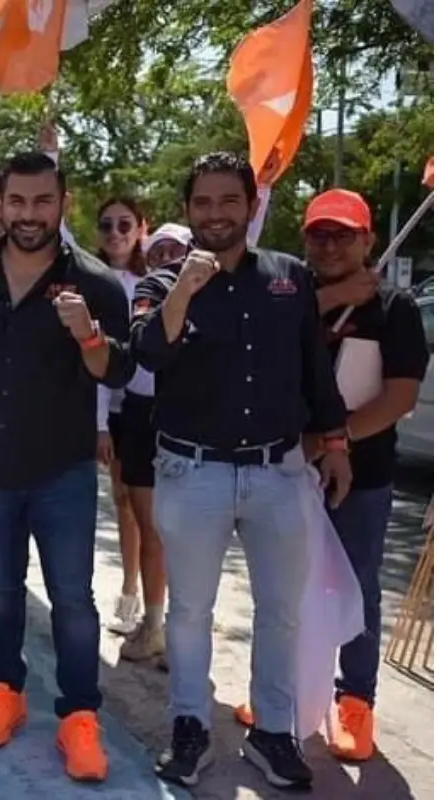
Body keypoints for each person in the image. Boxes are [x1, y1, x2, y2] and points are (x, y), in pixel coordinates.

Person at [130, 152, 352, 791]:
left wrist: (334, 442)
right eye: (203, 203)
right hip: (190, 471)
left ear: (251, 206)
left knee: (280, 611)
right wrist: (185, 289)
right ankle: (190, 727)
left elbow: (315, 369)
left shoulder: (287, 277)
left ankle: (274, 733)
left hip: (278, 473)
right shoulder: (162, 281)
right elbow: (147, 353)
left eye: (229, 201)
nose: (216, 214)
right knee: (190, 612)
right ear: (187, 210)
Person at [0, 152, 132, 783]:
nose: (29, 215)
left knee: (74, 601)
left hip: (63, 474)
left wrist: (87, 335)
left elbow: (118, 371)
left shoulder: (98, 284)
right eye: (17, 202)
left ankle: (80, 716)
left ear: (63, 203)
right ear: (0, 203)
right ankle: (5, 691)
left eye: (42, 202)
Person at [230, 189, 430, 761]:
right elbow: (256, 340)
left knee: (357, 588)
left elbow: (399, 397)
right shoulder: (287, 292)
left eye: (344, 234)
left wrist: (333, 441)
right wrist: (336, 297)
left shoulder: (394, 309)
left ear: (368, 240)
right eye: (320, 234)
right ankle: (279, 694)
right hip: (281, 471)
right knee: (278, 588)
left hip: (360, 476)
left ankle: (354, 701)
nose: (331, 245)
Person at [93, 197, 150, 638]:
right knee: (124, 504)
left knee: (156, 513)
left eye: (124, 224)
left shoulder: (158, 279)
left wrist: (260, 191)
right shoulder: (92, 280)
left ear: (141, 228)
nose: (115, 233)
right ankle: (129, 593)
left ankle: (156, 605)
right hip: (111, 409)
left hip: (154, 409)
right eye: (107, 225)